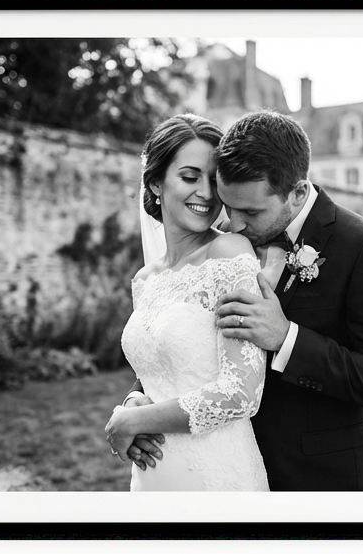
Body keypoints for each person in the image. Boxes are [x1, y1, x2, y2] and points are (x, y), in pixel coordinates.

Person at [122, 110, 363, 491]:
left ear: (298, 193)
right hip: (220, 462)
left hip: (318, 480)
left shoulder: (362, 246)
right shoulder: (219, 237)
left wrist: (287, 338)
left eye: (250, 212)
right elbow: (184, 341)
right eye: (229, 206)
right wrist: (138, 398)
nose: (234, 223)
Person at [104, 114, 269, 491]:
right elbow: (160, 369)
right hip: (152, 477)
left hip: (216, 476)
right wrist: (133, 401)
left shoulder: (229, 253)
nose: (207, 194)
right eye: (190, 177)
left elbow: (242, 393)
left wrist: (135, 422)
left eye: (214, 180)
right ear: (156, 182)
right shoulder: (145, 279)